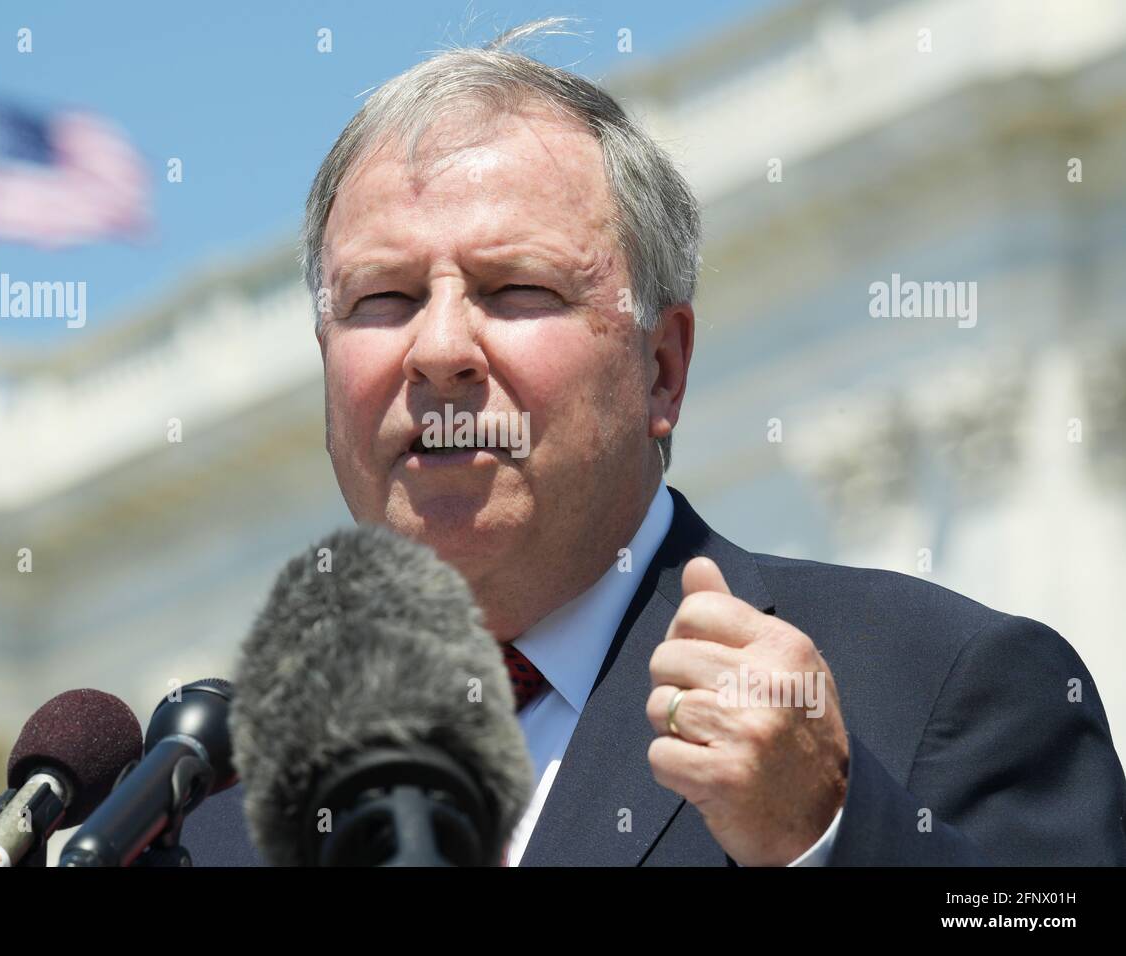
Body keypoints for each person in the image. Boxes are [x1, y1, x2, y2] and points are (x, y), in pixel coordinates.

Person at [182, 19, 1126, 866]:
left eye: (517, 289)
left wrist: (827, 840)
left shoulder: (942, 687)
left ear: (661, 369)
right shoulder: (214, 813)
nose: (437, 352)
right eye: (380, 299)